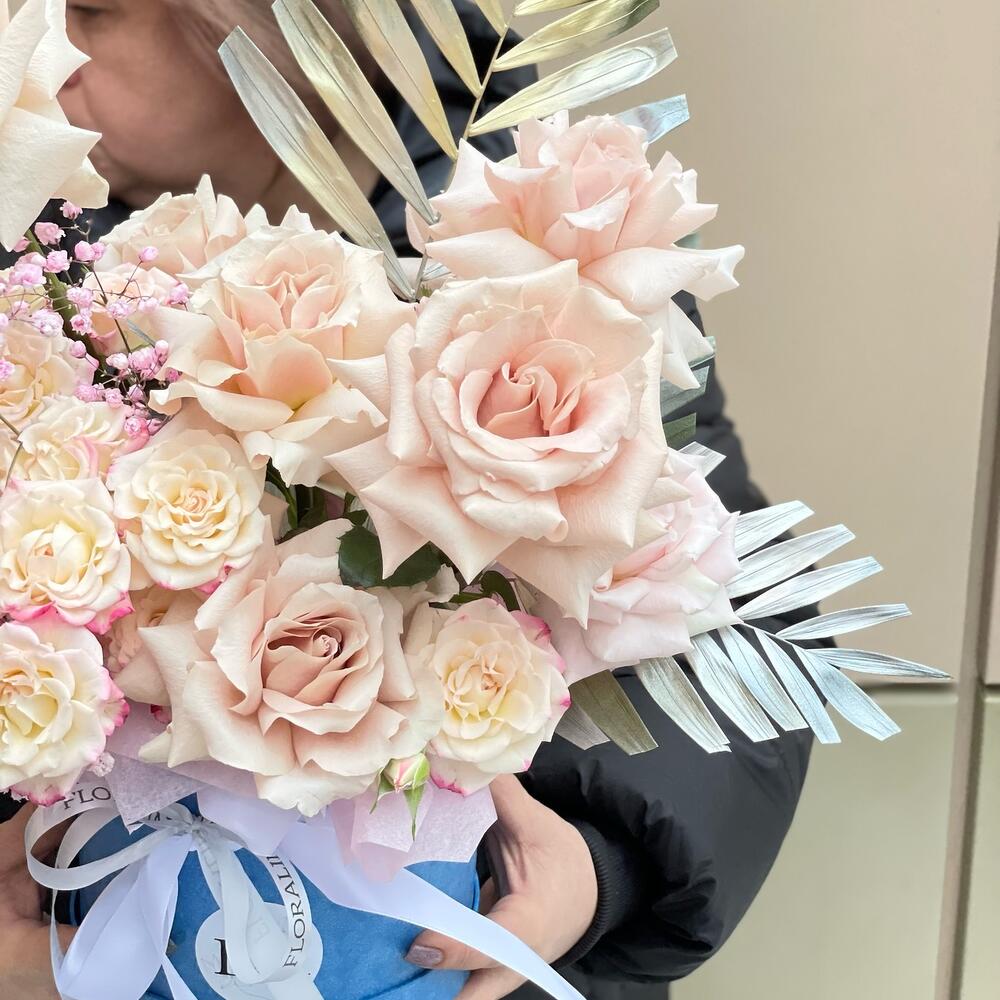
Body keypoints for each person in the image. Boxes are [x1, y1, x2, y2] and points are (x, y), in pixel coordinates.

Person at [0, 1, 816, 998]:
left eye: (88, 8)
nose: (34, 43)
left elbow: (726, 604)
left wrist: (596, 864)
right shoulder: (31, 266)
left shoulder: (550, 258)